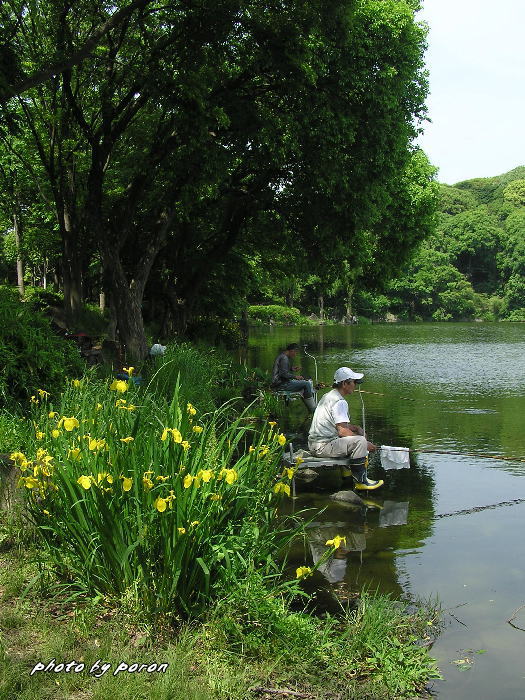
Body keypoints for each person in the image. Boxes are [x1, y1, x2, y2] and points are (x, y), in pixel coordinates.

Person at [308, 366, 383, 490]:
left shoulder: (329, 396)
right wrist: (365, 443)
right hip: (322, 446)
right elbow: (342, 431)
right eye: (354, 382)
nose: (356, 385)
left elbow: (339, 424)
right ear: (344, 383)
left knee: (353, 438)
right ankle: (361, 481)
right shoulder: (340, 402)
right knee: (360, 441)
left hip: (315, 444)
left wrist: (355, 428)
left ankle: (347, 473)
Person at [271, 343, 316, 412]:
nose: (295, 355)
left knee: (304, 383)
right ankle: (313, 409)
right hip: (281, 384)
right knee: (307, 384)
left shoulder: (282, 356)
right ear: (292, 351)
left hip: (279, 383)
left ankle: (310, 407)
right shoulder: (284, 358)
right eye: (296, 352)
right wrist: (295, 376)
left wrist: (292, 369)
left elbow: (282, 370)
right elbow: (283, 374)